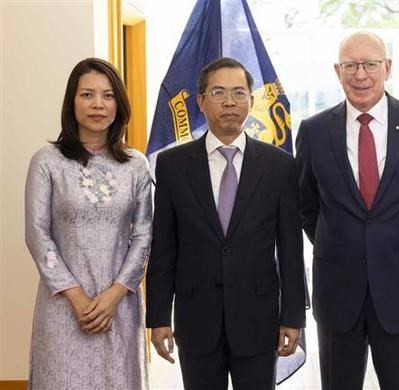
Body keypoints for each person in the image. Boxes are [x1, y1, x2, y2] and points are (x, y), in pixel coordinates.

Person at [295, 31, 399, 390]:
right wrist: (341, 245)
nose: (361, 75)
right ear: (338, 71)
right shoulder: (313, 131)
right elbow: (307, 207)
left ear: (386, 67)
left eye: (370, 64)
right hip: (337, 290)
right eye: (351, 65)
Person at [145, 57, 306, 390]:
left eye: (239, 92)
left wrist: (293, 317)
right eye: (218, 92)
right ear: (201, 101)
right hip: (196, 318)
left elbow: (290, 248)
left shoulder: (279, 166)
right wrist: (159, 316)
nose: (230, 102)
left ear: (251, 99)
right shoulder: (173, 166)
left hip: (258, 319)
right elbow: (164, 247)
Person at [24, 58, 152, 389]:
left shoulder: (136, 165)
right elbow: (38, 234)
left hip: (119, 305)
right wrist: (76, 295)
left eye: (108, 95)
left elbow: (143, 235)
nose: (98, 104)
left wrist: (115, 293)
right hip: (62, 305)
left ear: (119, 105)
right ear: (72, 101)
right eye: (87, 95)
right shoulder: (47, 162)